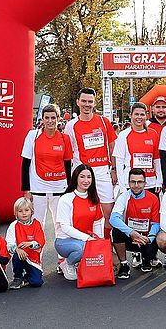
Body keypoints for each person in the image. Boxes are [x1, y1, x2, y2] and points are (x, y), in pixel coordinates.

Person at [21, 103, 72, 272]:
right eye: (47, 118)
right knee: (37, 225)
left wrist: (70, 188)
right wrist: (26, 190)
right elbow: (25, 163)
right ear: (42, 120)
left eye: (53, 118)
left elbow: (67, 165)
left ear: (59, 120)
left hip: (60, 187)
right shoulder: (33, 136)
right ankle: (36, 260)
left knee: (60, 225)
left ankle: (61, 260)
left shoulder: (64, 138)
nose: (50, 121)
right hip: (38, 187)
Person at [64, 87, 117, 239]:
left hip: (102, 172)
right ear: (78, 102)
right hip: (82, 173)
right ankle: (85, 246)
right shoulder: (71, 126)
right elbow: (69, 152)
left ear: (94, 103)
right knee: (82, 213)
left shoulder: (103, 121)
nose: (87, 104)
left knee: (109, 213)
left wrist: (113, 169)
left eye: (90, 102)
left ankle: (106, 246)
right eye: (84, 101)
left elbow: (112, 147)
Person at [55, 164, 104, 281]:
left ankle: (80, 262)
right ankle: (68, 263)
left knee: (94, 247)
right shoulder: (65, 199)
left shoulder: (94, 199)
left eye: (89, 177)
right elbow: (65, 228)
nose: (86, 180)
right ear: (76, 178)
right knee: (84, 248)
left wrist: (99, 242)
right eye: (82, 177)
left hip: (85, 240)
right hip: (64, 241)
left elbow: (97, 223)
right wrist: (87, 238)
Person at [110, 168, 161, 279]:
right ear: (128, 183)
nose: (136, 185)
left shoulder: (153, 198)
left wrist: (149, 238)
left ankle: (146, 259)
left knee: (156, 241)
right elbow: (113, 218)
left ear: (145, 183)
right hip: (130, 236)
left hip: (146, 238)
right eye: (133, 182)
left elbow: (156, 223)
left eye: (140, 182)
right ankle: (124, 264)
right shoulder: (124, 197)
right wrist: (131, 232)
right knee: (116, 231)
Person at [113, 102, 162, 193]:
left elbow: (157, 160)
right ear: (130, 115)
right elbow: (119, 162)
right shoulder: (123, 135)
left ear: (146, 116)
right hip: (131, 183)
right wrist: (122, 186)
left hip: (150, 183)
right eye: (136, 114)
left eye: (142, 114)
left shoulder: (153, 134)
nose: (139, 117)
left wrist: (159, 181)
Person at [5, 198, 46, 289]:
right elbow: (8, 244)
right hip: (20, 256)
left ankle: (27, 276)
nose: (24, 213)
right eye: (20, 211)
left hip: (33, 258)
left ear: (32, 211)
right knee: (17, 255)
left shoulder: (36, 224)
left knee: (37, 283)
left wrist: (30, 244)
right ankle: (18, 277)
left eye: (26, 210)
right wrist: (17, 248)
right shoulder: (13, 226)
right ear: (16, 213)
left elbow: (41, 241)